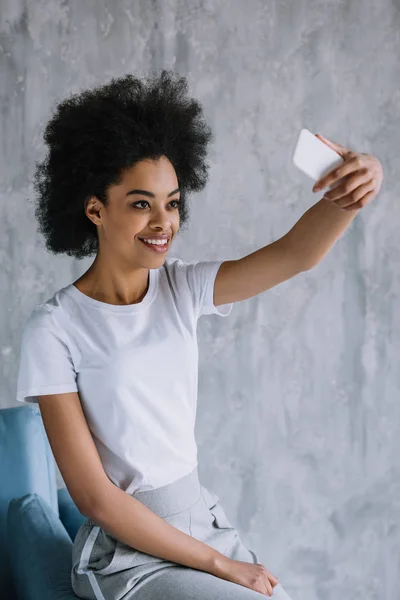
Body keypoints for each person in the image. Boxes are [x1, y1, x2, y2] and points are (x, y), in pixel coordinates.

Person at [16, 69, 383, 600]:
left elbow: (296, 254)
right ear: (95, 208)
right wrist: (223, 567)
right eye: (142, 203)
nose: (164, 221)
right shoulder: (53, 329)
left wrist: (352, 191)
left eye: (173, 202)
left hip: (203, 523)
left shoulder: (181, 289)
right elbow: (95, 499)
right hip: (126, 555)